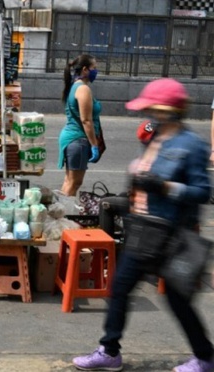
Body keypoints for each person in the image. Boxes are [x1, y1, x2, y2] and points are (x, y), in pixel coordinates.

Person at [72, 78, 213, 372]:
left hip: (170, 233)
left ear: (167, 109)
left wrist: (165, 187)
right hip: (143, 228)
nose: (148, 114)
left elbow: (202, 192)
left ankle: (205, 357)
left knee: (177, 300)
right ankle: (109, 351)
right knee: (120, 288)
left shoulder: (191, 145)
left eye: (152, 108)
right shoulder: (155, 137)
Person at [58, 54, 103, 196]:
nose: (96, 71)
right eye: (94, 68)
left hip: (73, 139)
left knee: (69, 181)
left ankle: (59, 213)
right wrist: (94, 145)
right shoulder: (83, 89)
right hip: (78, 139)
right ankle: (63, 214)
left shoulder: (75, 86)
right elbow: (86, 120)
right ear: (85, 70)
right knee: (74, 183)